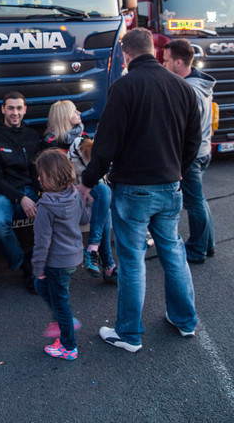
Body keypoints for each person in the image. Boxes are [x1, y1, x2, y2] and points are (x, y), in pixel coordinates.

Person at [77, 28, 201, 352]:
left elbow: (105, 144)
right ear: (155, 52)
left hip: (134, 189)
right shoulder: (181, 87)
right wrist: (177, 171)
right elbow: (193, 141)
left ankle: (129, 334)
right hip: (170, 186)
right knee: (173, 253)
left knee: (132, 260)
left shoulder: (124, 87)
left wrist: (87, 181)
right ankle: (185, 321)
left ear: (126, 54)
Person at [42, 100, 117, 282]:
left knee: (104, 198)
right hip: (64, 195)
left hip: (87, 193)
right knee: (104, 199)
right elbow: (52, 179)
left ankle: (94, 251)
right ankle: (106, 263)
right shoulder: (50, 144)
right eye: (74, 111)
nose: (79, 112)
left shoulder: (83, 137)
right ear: (63, 117)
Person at [32, 149, 91, 360]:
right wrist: (89, 203)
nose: (38, 178)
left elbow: (42, 242)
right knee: (44, 288)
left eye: (42, 174)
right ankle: (63, 319)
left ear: (52, 176)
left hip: (55, 262)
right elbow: (84, 219)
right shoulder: (74, 195)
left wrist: (38, 267)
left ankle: (68, 346)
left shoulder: (45, 206)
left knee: (60, 300)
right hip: (72, 258)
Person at [163, 39, 216, 263]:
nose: (163, 64)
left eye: (165, 61)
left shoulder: (188, 90)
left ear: (178, 62)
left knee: (194, 203)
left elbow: (182, 129)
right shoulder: (201, 84)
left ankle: (196, 250)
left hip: (192, 155)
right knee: (199, 200)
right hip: (204, 150)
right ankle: (208, 244)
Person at [0, 91, 40, 290]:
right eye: (11, 108)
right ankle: (23, 266)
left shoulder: (33, 136)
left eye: (19, 108)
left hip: (32, 190)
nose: (15, 112)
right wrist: (21, 198)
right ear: (3, 110)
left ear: (24, 110)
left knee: (54, 216)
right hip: (6, 193)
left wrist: (41, 195)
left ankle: (36, 261)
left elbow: (36, 170)